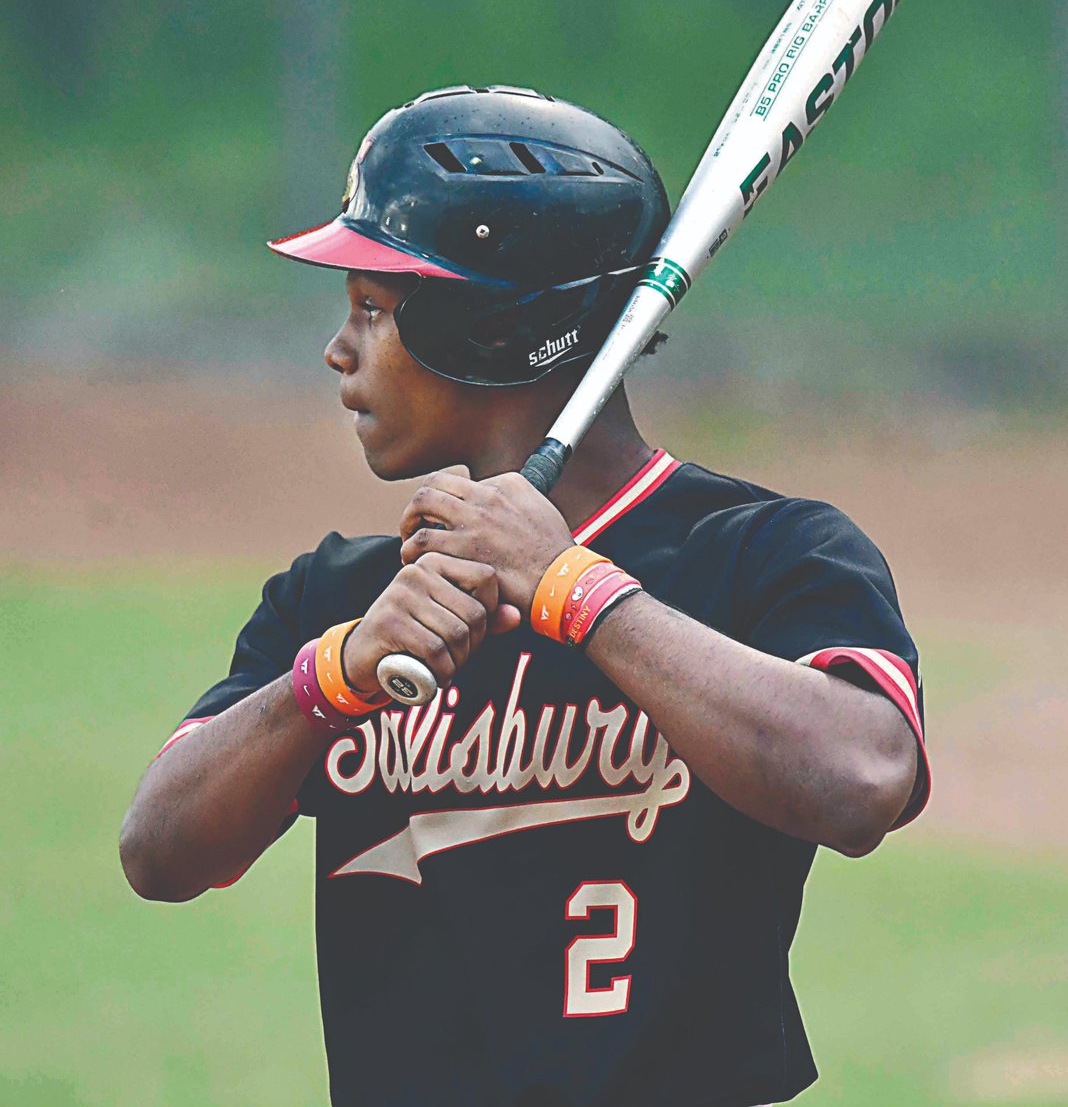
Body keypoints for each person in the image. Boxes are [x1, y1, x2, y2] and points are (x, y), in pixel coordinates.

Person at [120, 85, 930, 1107]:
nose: (339, 349)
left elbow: (863, 779)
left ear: (490, 328)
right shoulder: (339, 601)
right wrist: (329, 678)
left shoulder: (762, 556)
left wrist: (579, 591)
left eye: (373, 309)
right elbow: (157, 851)